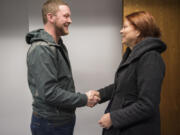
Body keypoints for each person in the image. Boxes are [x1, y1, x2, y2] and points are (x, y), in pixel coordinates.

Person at [25, 0, 99, 135]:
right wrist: (84, 99)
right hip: (50, 123)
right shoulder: (42, 49)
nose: (70, 20)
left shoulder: (57, 45)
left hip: (60, 120)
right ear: (50, 17)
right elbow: (50, 93)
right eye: (66, 16)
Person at [89, 11, 167, 135]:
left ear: (138, 31)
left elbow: (147, 105)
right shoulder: (133, 55)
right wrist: (99, 95)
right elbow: (123, 86)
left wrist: (114, 118)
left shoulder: (150, 58)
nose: (121, 31)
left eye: (125, 27)